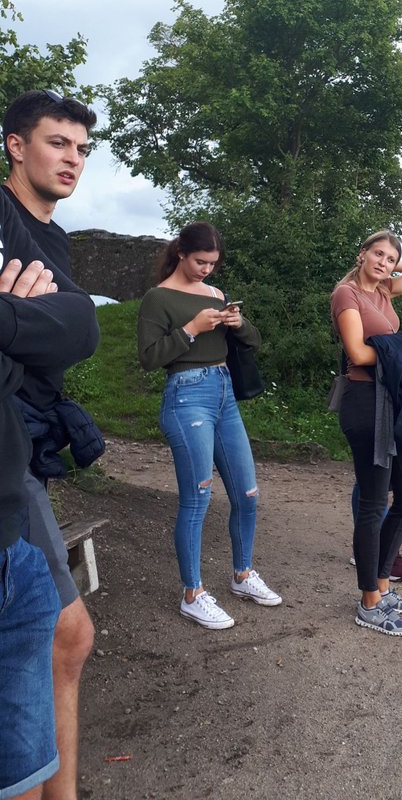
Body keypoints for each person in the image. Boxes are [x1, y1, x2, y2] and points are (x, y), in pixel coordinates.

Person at [3, 88, 100, 800]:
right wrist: (30, 321)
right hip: (6, 446)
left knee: (64, 639)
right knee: (64, 634)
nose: (73, 160)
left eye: (82, 149)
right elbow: (75, 328)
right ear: (15, 145)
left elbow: (76, 332)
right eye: (57, 143)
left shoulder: (54, 240)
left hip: (31, 442)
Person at [137, 221, 281, 630]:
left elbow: (253, 341)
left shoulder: (216, 294)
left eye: (213, 263)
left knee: (248, 494)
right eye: (201, 261)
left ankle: (242, 575)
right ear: (181, 252)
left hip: (224, 393)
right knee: (197, 498)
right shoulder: (158, 298)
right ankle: (192, 594)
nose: (206, 269)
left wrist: (238, 324)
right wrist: (191, 329)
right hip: (186, 396)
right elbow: (149, 358)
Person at [331, 231, 402, 635]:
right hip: (365, 401)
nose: (383, 262)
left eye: (390, 258)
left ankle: (382, 583)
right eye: (377, 253)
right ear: (361, 253)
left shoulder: (385, 291)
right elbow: (358, 353)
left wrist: (391, 267)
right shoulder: (346, 294)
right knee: (374, 503)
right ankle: (369, 602)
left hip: (394, 401)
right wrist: (400, 351)